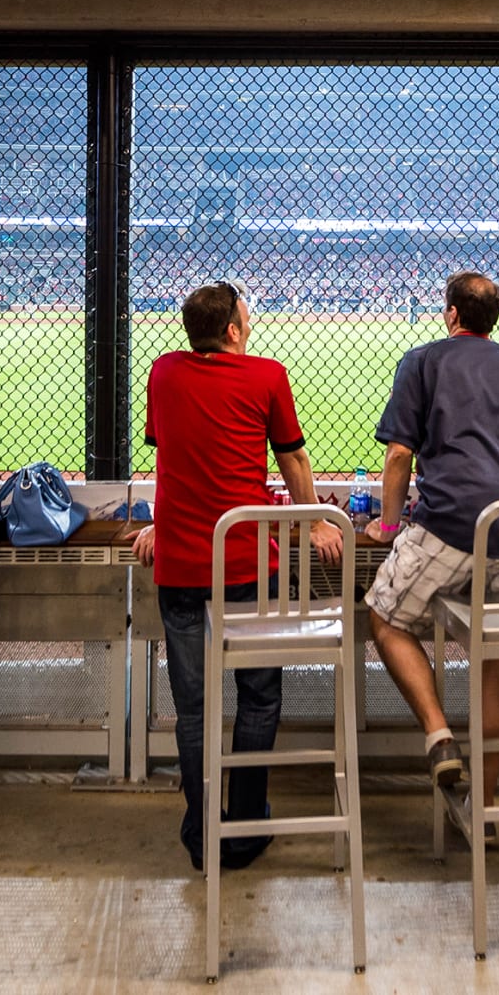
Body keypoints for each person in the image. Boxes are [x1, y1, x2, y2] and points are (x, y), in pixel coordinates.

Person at [133, 281, 343, 870]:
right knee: (258, 696)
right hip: (246, 565)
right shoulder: (266, 375)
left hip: (180, 565)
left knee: (194, 708)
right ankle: (246, 826)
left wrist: (162, 524)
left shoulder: (163, 373)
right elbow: (294, 458)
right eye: (245, 320)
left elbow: (172, 457)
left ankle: (201, 833)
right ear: (232, 330)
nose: (249, 327)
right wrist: (311, 523)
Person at [364, 272, 499, 821]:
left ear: (452, 315)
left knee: (386, 619)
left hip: (451, 527)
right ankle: (481, 808)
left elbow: (397, 459)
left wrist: (387, 531)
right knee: (492, 656)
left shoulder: (422, 361)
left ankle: (438, 733)